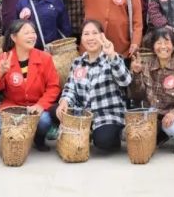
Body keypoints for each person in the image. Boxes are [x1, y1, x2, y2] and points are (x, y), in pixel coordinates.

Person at [56, 20, 132, 152]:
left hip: (108, 115)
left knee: (103, 141)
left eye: (94, 33)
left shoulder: (112, 58)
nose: (90, 38)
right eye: (86, 34)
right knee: (55, 111)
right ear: (81, 38)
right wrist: (64, 102)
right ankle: (86, 131)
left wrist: (111, 54)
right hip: (83, 114)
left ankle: (117, 133)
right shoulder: (77, 62)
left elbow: (126, 80)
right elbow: (70, 88)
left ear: (102, 36)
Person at [0, 20, 60, 152]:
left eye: (33, 32)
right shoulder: (3, 58)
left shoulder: (45, 58)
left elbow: (53, 87)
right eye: (26, 33)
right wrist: (0, 73)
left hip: (35, 107)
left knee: (44, 121)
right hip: (12, 108)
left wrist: (40, 105)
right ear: (14, 37)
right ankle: (16, 141)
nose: (32, 36)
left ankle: (37, 138)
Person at [129, 27, 174, 155]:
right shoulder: (146, 67)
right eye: (159, 43)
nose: (163, 47)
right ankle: (161, 134)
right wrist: (136, 74)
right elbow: (137, 95)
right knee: (128, 134)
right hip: (153, 115)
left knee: (172, 128)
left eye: (167, 42)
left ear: (173, 45)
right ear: (153, 46)